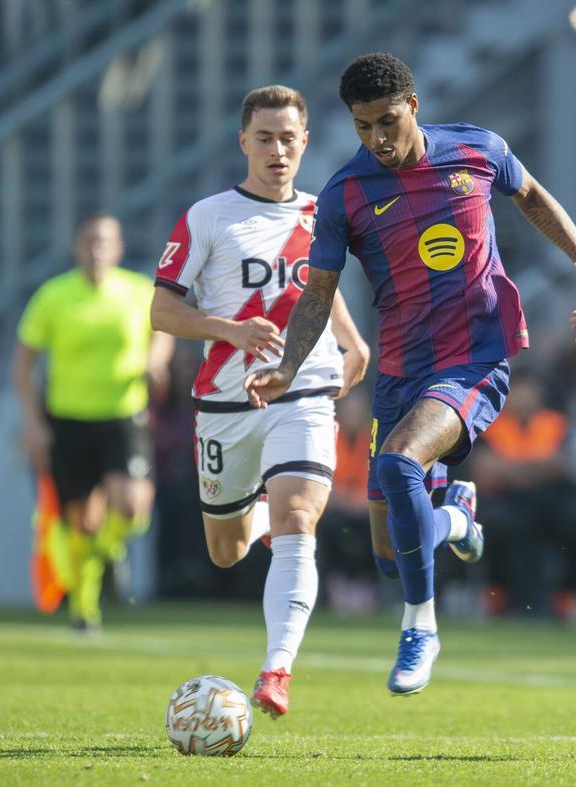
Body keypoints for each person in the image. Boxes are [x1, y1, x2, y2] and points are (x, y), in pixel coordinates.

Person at [245, 53, 576, 695]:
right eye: (363, 126)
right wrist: (288, 365)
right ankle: (457, 516)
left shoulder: (476, 149)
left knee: (398, 464)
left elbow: (530, 195)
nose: (378, 139)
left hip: (474, 357)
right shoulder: (346, 193)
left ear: (413, 106)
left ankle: (421, 629)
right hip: (399, 373)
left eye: (387, 121)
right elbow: (319, 291)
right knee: (393, 554)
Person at [150, 85, 370, 719]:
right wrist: (230, 330)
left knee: (299, 518)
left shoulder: (323, 213)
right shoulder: (208, 216)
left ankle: (277, 670)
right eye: (265, 138)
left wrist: (353, 340)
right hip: (226, 403)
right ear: (243, 142)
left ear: (305, 142)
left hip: (304, 389)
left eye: (288, 138)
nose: (278, 150)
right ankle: (261, 518)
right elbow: (162, 310)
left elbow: (320, 286)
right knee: (226, 551)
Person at [13, 213, 174, 632]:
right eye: (89, 240)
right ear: (76, 247)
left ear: (118, 248)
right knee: (82, 521)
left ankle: (109, 550)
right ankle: (84, 610)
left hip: (124, 413)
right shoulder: (53, 295)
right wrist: (33, 423)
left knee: (133, 506)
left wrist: (154, 361)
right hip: (69, 419)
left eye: (104, 241)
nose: (96, 249)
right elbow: (23, 364)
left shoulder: (137, 291)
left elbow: (164, 331)